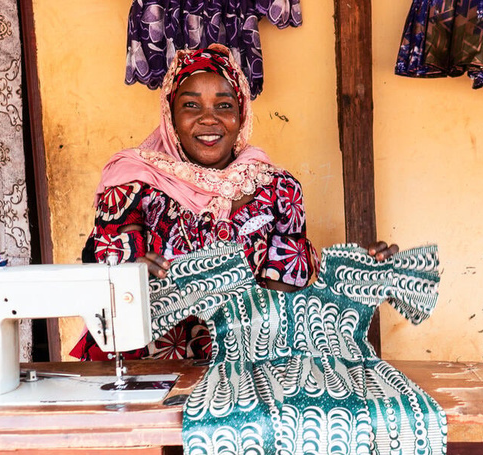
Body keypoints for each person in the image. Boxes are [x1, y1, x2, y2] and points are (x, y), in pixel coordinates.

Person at [70, 44, 397, 361]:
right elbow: (105, 283)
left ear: (241, 115)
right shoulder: (132, 183)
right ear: (170, 117)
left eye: (224, 105)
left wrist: (351, 276)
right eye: (191, 105)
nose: (209, 119)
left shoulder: (279, 189)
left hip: (243, 366)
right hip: (147, 365)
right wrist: (129, 278)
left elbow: (285, 303)